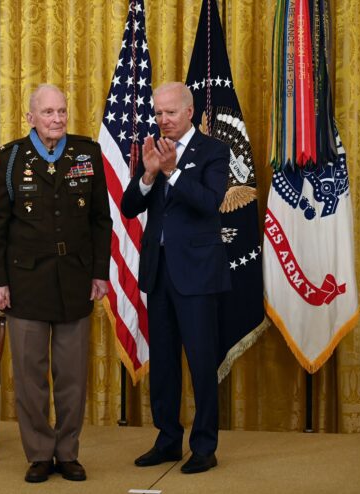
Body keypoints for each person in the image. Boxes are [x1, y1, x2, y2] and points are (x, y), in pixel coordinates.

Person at [0, 84, 112, 483]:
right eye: (48, 113)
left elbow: (99, 220)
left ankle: (68, 452)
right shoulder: (10, 159)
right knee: (30, 376)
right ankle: (40, 453)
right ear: (30, 118)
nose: (57, 119)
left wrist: (99, 272)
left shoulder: (86, 153)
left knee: (72, 377)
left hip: (75, 279)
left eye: (62, 111)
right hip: (25, 283)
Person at [121, 82, 231, 474]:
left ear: (190, 112)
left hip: (198, 275)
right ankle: (168, 440)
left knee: (201, 363)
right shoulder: (152, 150)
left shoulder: (214, 151)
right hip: (160, 272)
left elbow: (210, 203)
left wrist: (173, 172)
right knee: (164, 363)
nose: (162, 120)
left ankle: (204, 446)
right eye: (158, 113)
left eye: (169, 113)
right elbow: (130, 207)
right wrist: (149, 175)